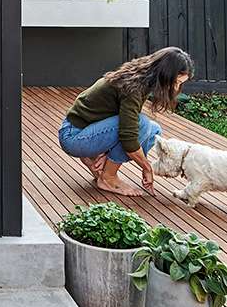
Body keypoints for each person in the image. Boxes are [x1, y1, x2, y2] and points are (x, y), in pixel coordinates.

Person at [59, 47, 193, 196]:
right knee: (140, 124)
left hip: (87, 129)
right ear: (164, 74)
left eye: (181, 83)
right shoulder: (134, 87)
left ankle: (98, 160)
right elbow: (128, 136)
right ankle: (108, 178)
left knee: (154, 131)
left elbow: (121, 119)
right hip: (74, 136)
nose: (176, 88)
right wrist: (146, 167)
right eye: (175, 82)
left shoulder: (139, 75)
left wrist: (106, 152)